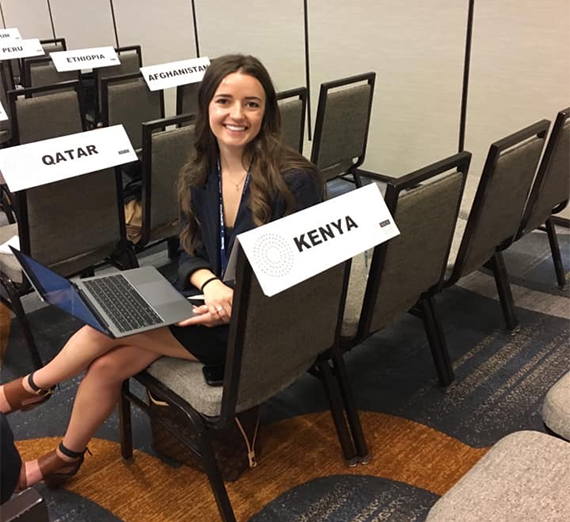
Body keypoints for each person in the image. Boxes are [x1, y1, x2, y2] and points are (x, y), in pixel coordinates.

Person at [0, 54, 324, 489]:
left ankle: (21, 392)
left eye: (252, 104)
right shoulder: (199, 174)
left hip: (258, 323)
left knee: (106, 325)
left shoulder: (295, 179)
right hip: (208, 307)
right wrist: (209, 285)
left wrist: (234, 302)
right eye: (224, 101)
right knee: (105, 366)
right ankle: (64, 458)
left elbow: (302, 276)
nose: (236, 114)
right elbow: (189, 252)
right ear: (207, 105)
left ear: (266, 113)